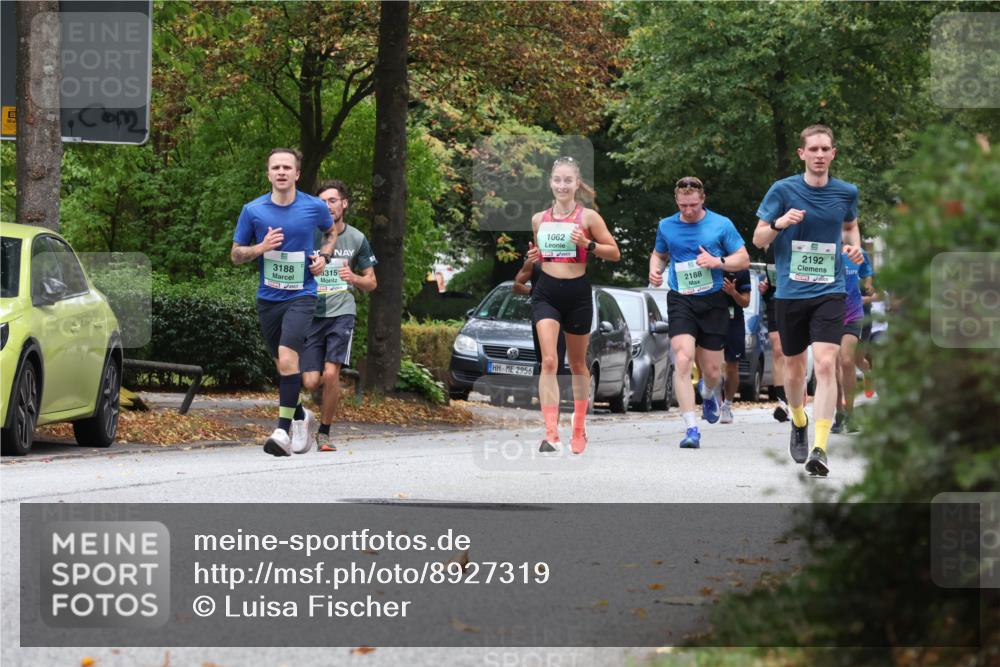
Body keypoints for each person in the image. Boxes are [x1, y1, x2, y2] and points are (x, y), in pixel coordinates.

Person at [753, 125, 865, 476]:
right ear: (802, 154)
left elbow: (849, 227)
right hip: (790, 292)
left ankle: (820, 446)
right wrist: (780, 223)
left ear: (833, 154)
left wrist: (854, 247)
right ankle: (798, 419)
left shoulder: (846, 192)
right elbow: (758, 238)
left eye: (825, 149)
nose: (819, 155)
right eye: (813, 149)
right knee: (795, 367)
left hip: (830, 290)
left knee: (827, 363)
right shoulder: (782, 190)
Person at [232, 148, 336, 457]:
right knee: (282, 365)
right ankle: (302, 416)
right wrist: (260, 247)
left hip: (302, 294)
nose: (281, 172)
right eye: (275, 167)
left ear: (296, 174)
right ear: (268, 174)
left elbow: (331, 234)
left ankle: (281, 431)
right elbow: (236, 254)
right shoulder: (253, 210)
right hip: (269, 299)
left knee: (289, 359)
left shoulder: (314, 207)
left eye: (286, 167)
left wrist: (325, 257)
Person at [649, 176, 750, 449]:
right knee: (682, 359)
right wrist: (655, 268)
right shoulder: (667, 226)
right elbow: (659, 254)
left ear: (703, 199)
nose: (688, 211)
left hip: (714, 300)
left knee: (714, 371)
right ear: (676, 202)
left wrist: (718, 261)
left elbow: (743, 258)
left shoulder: (721, 224)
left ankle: (707, 393)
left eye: (693, 205)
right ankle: (691, 428)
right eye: (683, 206)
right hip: (681, 299)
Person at [530, 156, 620, 454]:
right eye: (557, 180)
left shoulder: (588, 218)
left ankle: (579, 428)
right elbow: (543, 257)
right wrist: (532, 262)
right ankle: (551, 433)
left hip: (577, 294)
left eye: (568, 180)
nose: (562, 185)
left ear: (577, 184)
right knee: (550, 361)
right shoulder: (538, 219)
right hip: (546, 292)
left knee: (578, 364)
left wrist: (588, 245)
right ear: (550, 182)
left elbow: (614, 253)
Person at [300, 180, 377, 452]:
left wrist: (354, 277)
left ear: (344, 203)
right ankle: (307, 419)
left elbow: (372, 282)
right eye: (322, 202)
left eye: (332, 200)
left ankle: (324, 432)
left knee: (331, 375)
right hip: (311, 312)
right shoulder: (310, 234)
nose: (328, 206)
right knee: (310, 381)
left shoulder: (357, 238)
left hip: (341, 312)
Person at [832, 240, 873, 434]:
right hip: (829, 315)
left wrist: (868, 285)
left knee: (847, 362)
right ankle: (838, 413)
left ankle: (849, 413)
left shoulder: (856, 253)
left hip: (853, 314)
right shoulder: (824, 253)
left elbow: (867, 274)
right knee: (835, 365)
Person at [514, 248, 567, 385]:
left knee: (558, 360)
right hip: (540, 315)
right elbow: (517, 285)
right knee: (545, 360)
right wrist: (533, 291)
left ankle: (553, 397)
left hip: (563, 316)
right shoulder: (534, 261)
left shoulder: (570, 258)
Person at [759, 245, 791, 422]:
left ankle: (797, 400)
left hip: (798, 299)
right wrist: (765, 286)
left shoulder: (800, 237)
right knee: (778, 349)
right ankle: (782, 402)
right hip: (775, 301)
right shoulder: (769, 244)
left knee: (794, 352)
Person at [719, 268, 752, 423]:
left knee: (732, 367)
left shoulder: (741, 270)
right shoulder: (708, 262)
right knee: (711, 364)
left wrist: (733, 293)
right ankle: (711, 399)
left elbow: (745, 301)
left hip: (734, 320)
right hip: (710, 317)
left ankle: (727, 405)